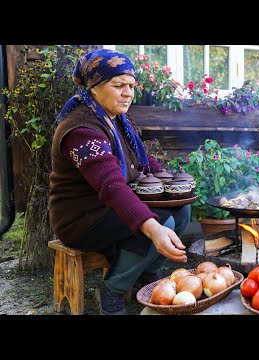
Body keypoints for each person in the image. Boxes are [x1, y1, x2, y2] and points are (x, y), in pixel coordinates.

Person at [49, 49, 191, 315]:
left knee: (181, 211)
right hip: (82, 218)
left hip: (108, 209)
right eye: (119, 85)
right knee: (160, 222)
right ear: (94, 87)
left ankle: (145, 275)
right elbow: (111, 186)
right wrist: (153, 227)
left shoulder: (116, 119)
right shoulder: (81, 130)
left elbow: (141, 160)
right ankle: (113, 290)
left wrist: (171, 182)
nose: (128, 93)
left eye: (131, 86)